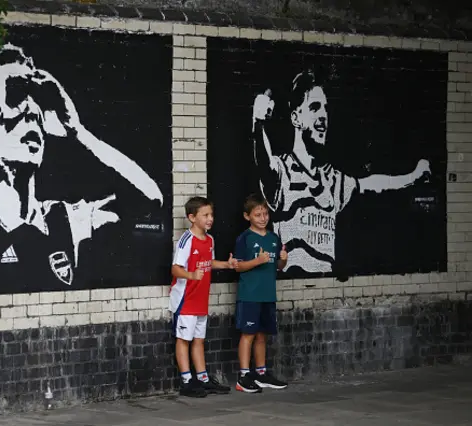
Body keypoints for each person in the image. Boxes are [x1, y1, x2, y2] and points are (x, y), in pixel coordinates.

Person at [0, 44, 163, 291]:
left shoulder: (62, 218)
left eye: (34, 115)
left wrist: (78, 132)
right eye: (12, 110)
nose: (28, 118)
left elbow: (150, 201)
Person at [252, 70, 431, 275]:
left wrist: (412, 178)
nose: (323, 116)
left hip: (325, 284)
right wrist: (258, 123)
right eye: (314, 107)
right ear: (296, 118)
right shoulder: (283, 171)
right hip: (294, 284)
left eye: (325, 109)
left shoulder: (330, 179)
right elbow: (265, 164)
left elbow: (372, 184)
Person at [169, 196, 237, 397]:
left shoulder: (209, 239)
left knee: (199, 340)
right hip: (185, 300)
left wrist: (226, 265)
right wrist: (191, 275)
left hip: (201, 300)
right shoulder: (186, 240)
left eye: (211, 215)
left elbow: (210, 262)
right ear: (192, 217)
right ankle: (186, 381)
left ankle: (203, 379)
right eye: (205, 215)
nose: (210, 219)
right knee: (184, 340)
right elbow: (175, 269)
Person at [233, 193, 288, 393]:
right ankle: (244, 376)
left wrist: (283, 259)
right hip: (250, 295)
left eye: (265, 214)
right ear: (248, 216)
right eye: (258, 214)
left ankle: (262, 373)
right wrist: (257, 261)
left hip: (268, 295)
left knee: (262, 336)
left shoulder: (274, 238)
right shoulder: (244, 238)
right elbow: (237, 266)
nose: (263, 218)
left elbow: (279, 266)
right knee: (248, 334)